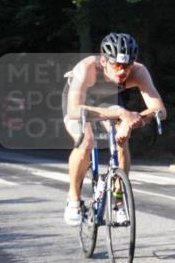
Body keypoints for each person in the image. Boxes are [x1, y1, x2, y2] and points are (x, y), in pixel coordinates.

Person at [63, 33, 166, 226]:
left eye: (128, 66)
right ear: (104, 61)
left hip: (109, 101)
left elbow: (159, 109)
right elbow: (74, 109)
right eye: (117, 66)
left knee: (121, 140)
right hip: (81, 104)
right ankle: (74, 199)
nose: (123, 72)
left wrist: (133, 121)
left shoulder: (138, 71)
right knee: (86, 141)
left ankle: (118, 202)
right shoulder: (88, 69)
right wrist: (120, 112)